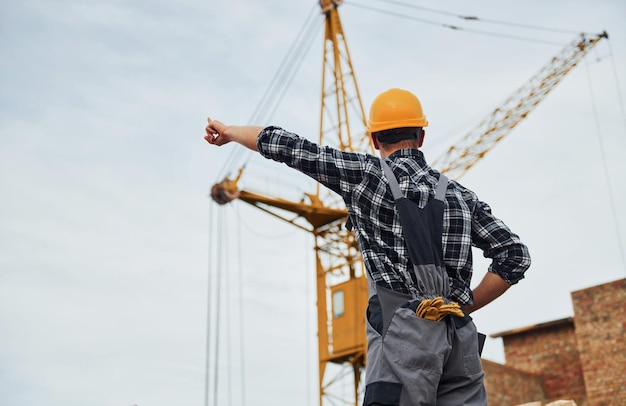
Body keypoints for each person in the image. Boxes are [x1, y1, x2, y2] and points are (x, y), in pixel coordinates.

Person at [204, 88, 531, 405]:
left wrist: (230, 132)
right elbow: (514, 256)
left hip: (404, 335)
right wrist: (465, 307)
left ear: (375, 139)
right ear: (421, 137)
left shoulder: (365, 176)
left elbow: (287, 146)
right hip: (460, 339)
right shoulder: (461, 196)